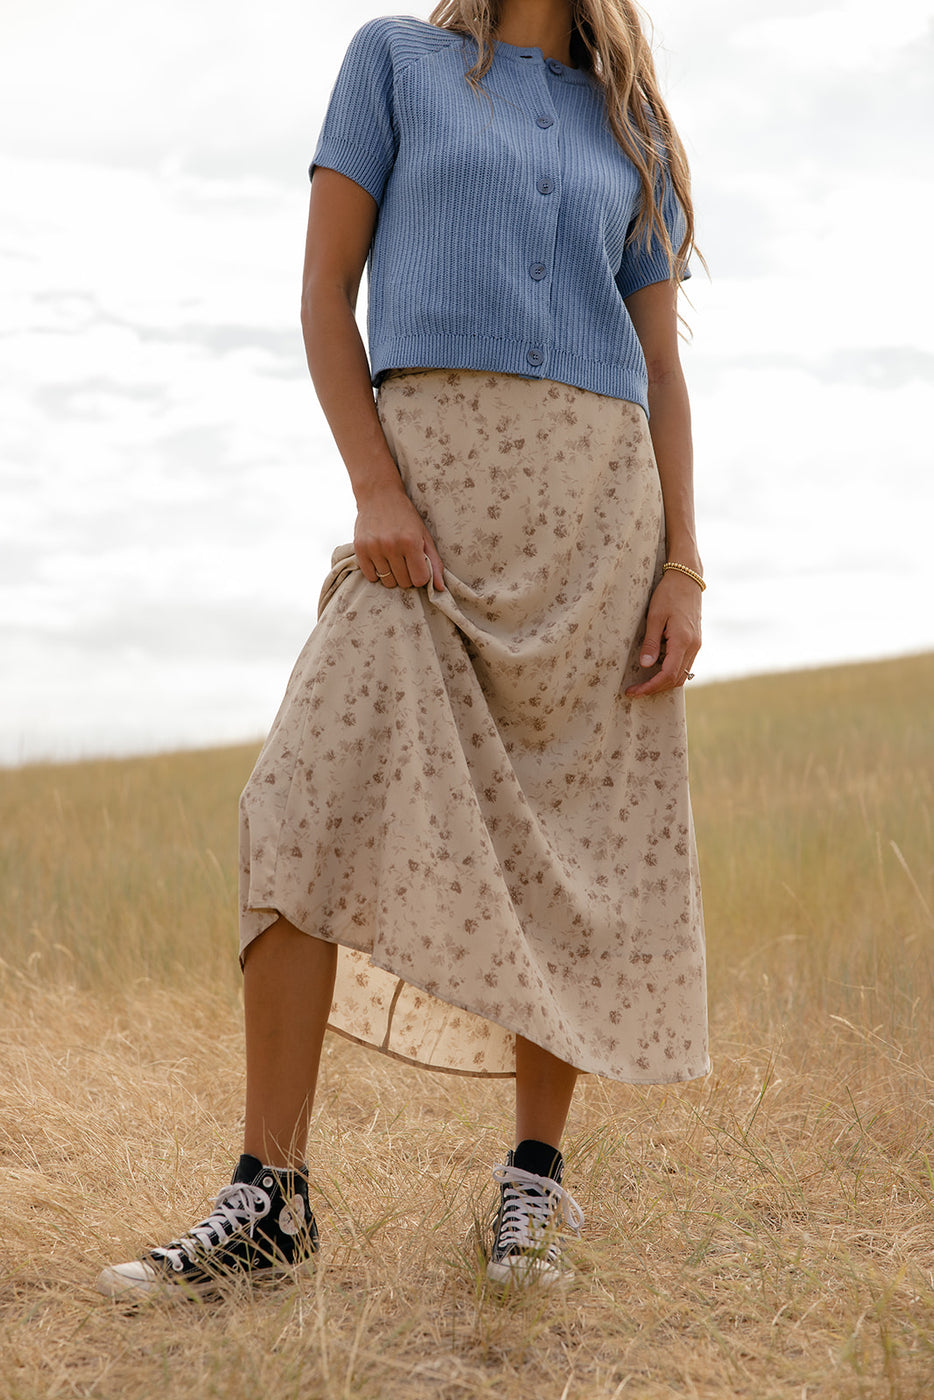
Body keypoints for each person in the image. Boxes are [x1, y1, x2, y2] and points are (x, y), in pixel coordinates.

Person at [97, 0, 708, 1299]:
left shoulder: (627, 118)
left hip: (601, 531)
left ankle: (533, 1186)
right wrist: (375, 490)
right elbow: (323, 292)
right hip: (421, 526)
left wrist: (683, 566)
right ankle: (269, 1202)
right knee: (297, 799)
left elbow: (659, 365)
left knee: (575, 859)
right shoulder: (392, 62)